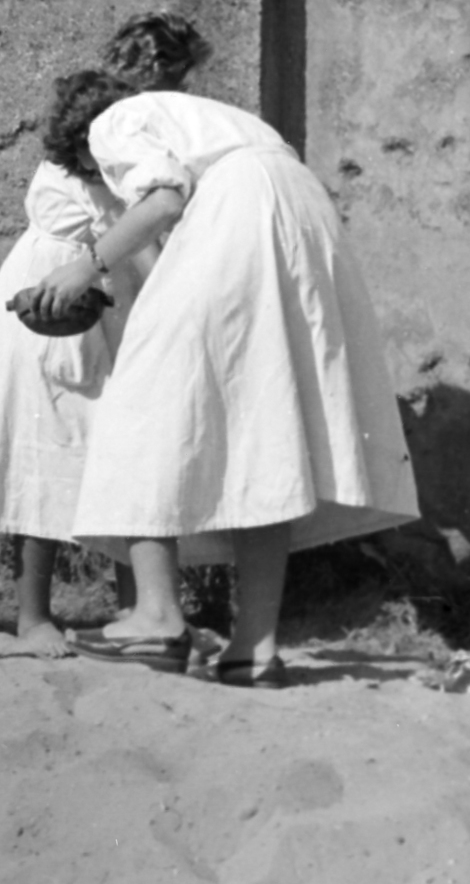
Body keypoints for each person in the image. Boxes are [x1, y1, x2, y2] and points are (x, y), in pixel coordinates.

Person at [32, 77, 418, 686]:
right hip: (299, 214)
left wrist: (85, 265)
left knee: (139, 399)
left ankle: (157, 617)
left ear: (81, 144)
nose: (101, 180)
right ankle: (253, 649)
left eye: (90, 170)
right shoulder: (209, 120)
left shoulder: (115, 123)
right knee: (263, 419)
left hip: (243, 217)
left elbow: (161, 200)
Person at [0, 14, 211, 657]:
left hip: (102, 297)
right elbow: (136, 243)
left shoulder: (124, 145)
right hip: (52, 305)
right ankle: (31, 620)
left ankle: (144, 607)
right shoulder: (85, 160)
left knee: (124, 451)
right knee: (45, 451)